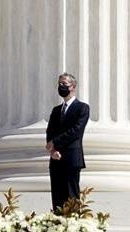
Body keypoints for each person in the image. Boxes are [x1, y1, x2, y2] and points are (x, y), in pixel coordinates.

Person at [45, 72, 89, 207]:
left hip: (72, 158)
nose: (61, 86)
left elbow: (76, 131)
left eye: (64, 84)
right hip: (56, 158)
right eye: (59, 84)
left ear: (73, 86)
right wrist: (53, 150)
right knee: (57, 197)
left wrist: (55, 143)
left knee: (72, 196)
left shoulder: (82, 108)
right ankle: (57, 225)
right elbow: (50, 131)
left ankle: (73, 226)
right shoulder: (56, 110)